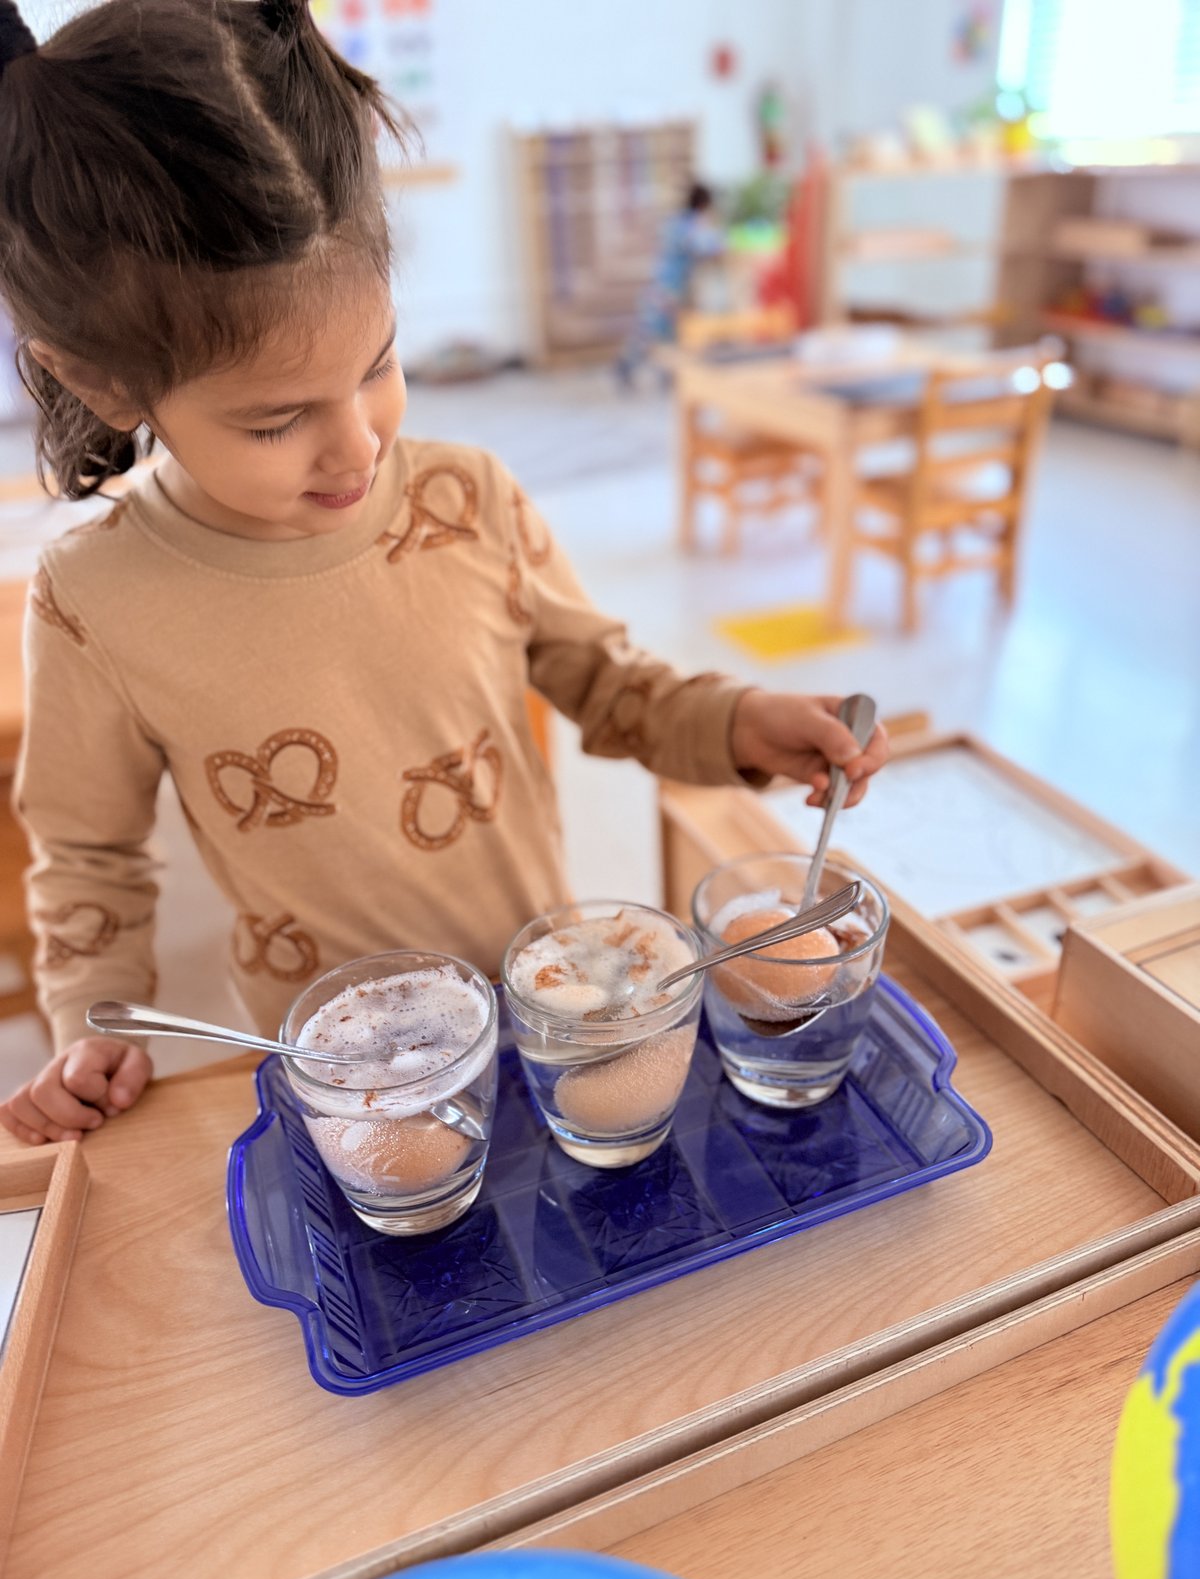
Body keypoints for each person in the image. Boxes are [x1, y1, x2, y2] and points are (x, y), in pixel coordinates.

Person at [0, 0, 888, 1147]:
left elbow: (608, 681)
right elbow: (88, 855)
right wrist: (93, 1021)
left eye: (379, 366)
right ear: (110, 385)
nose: (360, 446)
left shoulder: (469, 499)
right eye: (277, 422)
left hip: (561, 1012)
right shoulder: (95, 602)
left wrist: (734, 720)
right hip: (350, 1081)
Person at [616, 180, 724, 387]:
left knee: (660, 332)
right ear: (703, 205)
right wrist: (720, 240)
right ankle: (631, 366)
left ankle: (664, 373)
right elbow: (706, 246)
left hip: (660, 283)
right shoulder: (690, 224)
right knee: (655, 332)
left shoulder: (676, 221)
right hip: (669, 287)